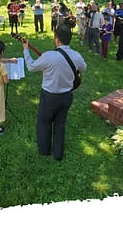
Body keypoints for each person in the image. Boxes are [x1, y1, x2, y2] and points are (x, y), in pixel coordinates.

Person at [23, 26, 87, 161]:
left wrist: (26, 50)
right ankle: (58, 154)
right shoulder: (76, 56)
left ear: (56, 39)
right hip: (66, 96)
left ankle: (44, 150)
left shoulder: (49, 56)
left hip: (49, 96)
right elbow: (83, 68)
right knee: (60, 124)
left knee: (44, 122)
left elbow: (31, 66)